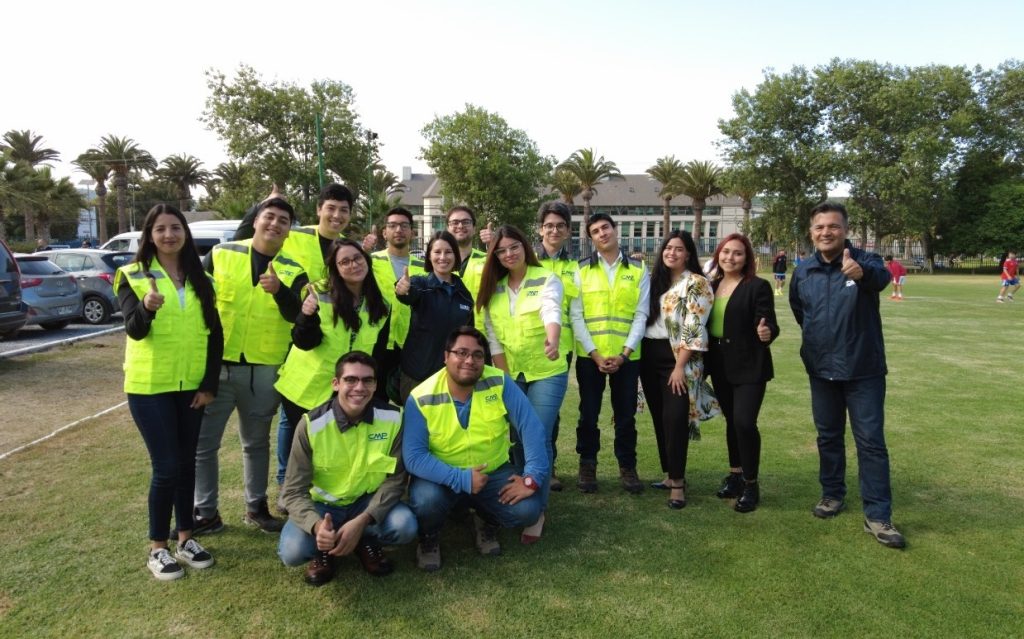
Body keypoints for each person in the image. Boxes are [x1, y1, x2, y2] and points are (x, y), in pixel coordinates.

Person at [116, 203, 222, 581]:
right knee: (166, 467)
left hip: (191, 387)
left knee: (187, 463)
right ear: (149, 235)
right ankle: (157, 548)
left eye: (175, 227)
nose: (169, 235)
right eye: (160, 229)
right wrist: (147, 307)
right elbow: (135, 330)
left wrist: (209, 385)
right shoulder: (132, 275)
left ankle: (186, 538)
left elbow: (215, 335)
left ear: (185, 233)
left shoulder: (202, 279)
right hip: (150, 387)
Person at [790, 201, 905, 549]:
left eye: (833, 227)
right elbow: (801, 312)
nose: (826, 232)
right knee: (828, 436)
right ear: (811, 232)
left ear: (845, 230)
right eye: (820, 227)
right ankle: (832, 494)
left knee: (870, 442)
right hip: (820, 368)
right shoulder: (804, 271)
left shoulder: (865, 261)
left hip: (863, 369)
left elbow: (882, 279)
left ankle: (878, 515)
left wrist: (862, 275)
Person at [193, 197, 308, 536]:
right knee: (205, 444)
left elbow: (298, 316)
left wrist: (280, 291)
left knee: (256, 443)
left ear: (289, 231)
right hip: (220, 366)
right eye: (269, 217)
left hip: (265, 370)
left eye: (283, 221)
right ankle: (205, 512)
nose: (275, 224)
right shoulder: (222, 253)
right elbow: (193, 291)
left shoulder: (293, 269)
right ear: (255, 220)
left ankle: (256, 507)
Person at [403, 327, 549, 571]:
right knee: (426, 501)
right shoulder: (421, 396)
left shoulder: (499, 382)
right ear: (446, 356)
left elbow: (531, 428)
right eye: (461, 352)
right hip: (441, 477)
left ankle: (486, 518)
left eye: (477, 355)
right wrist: (461, 479)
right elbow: (414, 457)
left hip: (492, 472)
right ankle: (428, 538)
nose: (469, 360)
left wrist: (532, 479)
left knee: (528, 510)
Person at [277, 352, 416, 585]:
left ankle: (364, 539)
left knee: (405, 526)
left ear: (375, 385)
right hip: (323, 508)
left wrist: (363, 520)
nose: (359, 387)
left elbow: (395, 481)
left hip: (367, 503)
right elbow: (292, 491)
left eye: (367, 380)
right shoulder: (311, 425)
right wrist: (317, 526)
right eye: (351, 380)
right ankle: (324, 548)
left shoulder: (394, 419)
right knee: (292, 552)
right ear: (336, 383)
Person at [475, 224, 565, 542]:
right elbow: (493, 341)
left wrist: (552, 339)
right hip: (511, 373)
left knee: (536, 433)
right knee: (515, 435)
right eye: (501, 250)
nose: (508, 254)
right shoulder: (493, 289)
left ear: (525, 247)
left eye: (514, 247)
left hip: (546, 371)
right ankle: (521, 484)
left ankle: (536, 508)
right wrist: (505, 380)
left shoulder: (546, 279)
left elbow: (551, 310)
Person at [274, 238, 392, 479]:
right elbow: (303, 341)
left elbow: (377, 353)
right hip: (307, 385)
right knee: (301, 445)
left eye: (357, 258)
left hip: (347, 388)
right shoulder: (318, 293)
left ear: (366, 261)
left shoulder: (381, 305)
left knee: (330, 446)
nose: (353, 265)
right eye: (344, 262)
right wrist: (306, 315)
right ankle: (289, 489)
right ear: (336, 268)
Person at [570, 212, 650, 494]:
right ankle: (587, 465)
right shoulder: (579, 271)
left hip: (627, 359)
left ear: (616, 230)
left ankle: (627, 467)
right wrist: (594, 354)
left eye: (606, 228)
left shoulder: (639, 270)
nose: (602, 233)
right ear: (590, 238)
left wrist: (624, 354)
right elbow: (576, 316)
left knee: (625, 416)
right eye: (595, 231)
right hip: (590, 358)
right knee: (588, 414)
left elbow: (641, 315)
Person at [640, 231, 717, 509]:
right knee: (661, 418)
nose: (671, 252)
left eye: (679, 249)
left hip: (677, 359)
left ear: (688, 254)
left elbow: (694, 326)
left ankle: (679, 483)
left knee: (675, 418)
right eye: (668, 248)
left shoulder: (697, 283)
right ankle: (668, 476)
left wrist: (679, 367)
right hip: (648, 356)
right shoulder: (655, 282)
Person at [706, 233, 779, 513]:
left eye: (737, 253)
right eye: (725, 252)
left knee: (744, 423)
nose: (730, 258)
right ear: (718, 255)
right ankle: (735, 475)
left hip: (750, 364)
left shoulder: (757, 286)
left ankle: (751, 483)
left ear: (747, 257)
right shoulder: (711, 286)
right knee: (732, 423)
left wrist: (767, 331)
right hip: (719, 364)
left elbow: (768, 321)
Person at [394, 230, 474, 402]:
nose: (443, 257)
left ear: (456, 256)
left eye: (448, 252)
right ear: (429, 256)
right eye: (437, 252)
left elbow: (470, 336)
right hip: (416, 376)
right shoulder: (420, 284)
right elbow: (408, 294)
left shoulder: (464, 295)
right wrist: (402, 289)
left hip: (451, 378)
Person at [371, 207, 426, 400]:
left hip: (410, 345)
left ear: (412, 232)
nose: (398, 230)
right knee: (374, 400)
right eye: (392, 225)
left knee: (410, 402)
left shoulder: (423, 267)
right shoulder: (371, 261)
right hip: (376, 342)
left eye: (404, 226)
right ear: (384, 232)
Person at [446, 206, 488, 299]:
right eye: (455, 222)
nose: (460, 226)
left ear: (474, 229)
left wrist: (495, 243)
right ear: (448, 229)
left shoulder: (488, 260)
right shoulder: (438, 262)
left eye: (466, 222)